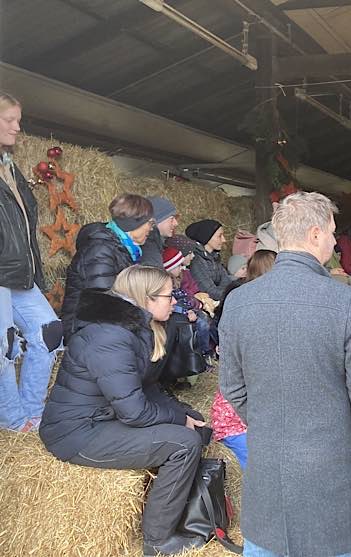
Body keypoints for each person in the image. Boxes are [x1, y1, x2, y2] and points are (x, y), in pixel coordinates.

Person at [218, 191, 351, 557]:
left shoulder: (239, 301)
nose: (333, 241)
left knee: (272, 541)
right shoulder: (343, 301)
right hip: (331, 463)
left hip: (269, 464)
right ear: (314, 234)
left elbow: (231, 385)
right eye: (331, 232)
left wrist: (265, 422)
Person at [39, 266, 207, 557]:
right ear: (147, 299)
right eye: (169, 296)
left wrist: (184, 414)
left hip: (103, 417)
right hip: (78, 433)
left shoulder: (134, 328)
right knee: (184, 443)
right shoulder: (110, 338)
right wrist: (179, 421)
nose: (175, 302)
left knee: (196, 427)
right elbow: (134, 411)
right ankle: (158, 541)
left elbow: (145, 388)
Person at [0, 91, 62, 432]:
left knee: (49, 331)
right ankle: (13, 424)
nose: (17, 127)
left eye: (18, 120)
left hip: (19, 271)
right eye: (9, 120)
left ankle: (32, 413)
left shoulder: (9, 167)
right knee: (3, 346)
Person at [211, 249, 277, 471]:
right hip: (236, 423)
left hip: (249, 415)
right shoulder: (249, 305)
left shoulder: (243, 297)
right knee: (265, 469)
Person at [62, 193, 155, 342]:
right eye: (149, 223)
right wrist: (144, 315)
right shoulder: (100, 250)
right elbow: (102, 299)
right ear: (134, 223)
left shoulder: (122, 248)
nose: (151, 228)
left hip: (104, 322)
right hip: (86, 328)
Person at [162, 247, 212, 358]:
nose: (181, 268)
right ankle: (202, 353)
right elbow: (175, 302)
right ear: (170, 268)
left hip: (187, 310)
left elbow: (184, 297)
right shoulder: (167, 284)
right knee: (202, 325)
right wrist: (186, 312)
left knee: (205, 319)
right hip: (178, 314)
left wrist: (195, 306)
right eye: (178, 266)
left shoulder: (178, 279)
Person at [185, 219, 243, 301]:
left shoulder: (214, 257)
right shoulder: (196, 261)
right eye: (220, 236)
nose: (224, 240)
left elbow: (225, 281)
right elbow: (210, 292)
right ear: (207, 237)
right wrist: (237, 292)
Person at [139, 197, 178, 267]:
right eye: (171, 219)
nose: (176, 223)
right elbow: (154, 277)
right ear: (156, 220)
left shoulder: (154, 243)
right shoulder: (149, 247)